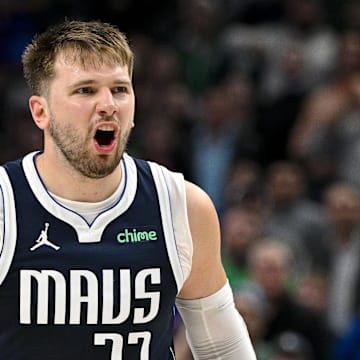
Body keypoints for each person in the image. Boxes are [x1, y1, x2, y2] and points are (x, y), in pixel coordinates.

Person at [0, 20, 256, 359]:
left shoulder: (182, 205)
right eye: (85, 90)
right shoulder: (6, 205)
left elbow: (221, 346)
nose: (108, 105)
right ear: (41, 111)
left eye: (120, 89)